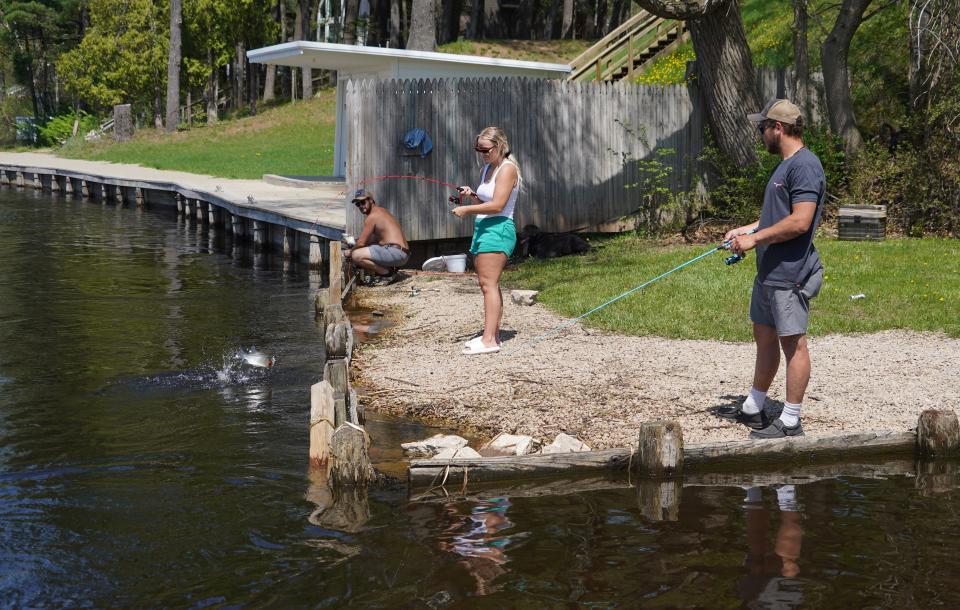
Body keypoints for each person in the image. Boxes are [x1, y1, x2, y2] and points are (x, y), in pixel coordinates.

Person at [721, 99, 826, 439]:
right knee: (764, 338)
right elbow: (777, 217)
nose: (760, 134)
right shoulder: (785, 166)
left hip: (791, 273)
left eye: (762, 128)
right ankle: (754, 405)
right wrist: (747, 231)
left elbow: (800, 221)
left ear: (777, 128)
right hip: (770, 272)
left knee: (793, 344)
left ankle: (791, 420)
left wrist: (755, 240)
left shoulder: (805, 166)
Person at [453, 126, 521, 356]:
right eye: (478, 149)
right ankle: (492, 334)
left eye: (485, 149)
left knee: (488, 284)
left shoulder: (507, 169)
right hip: (484, 228)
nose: (481, 152)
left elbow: (498, 205)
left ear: (499, 146)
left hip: (499, 228)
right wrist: (472, 193)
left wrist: (466, 209)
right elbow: (487, 197)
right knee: (488, 284)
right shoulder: (488, 168)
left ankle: (489, 340)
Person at [344, 189, 409, 285]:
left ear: (371, 200)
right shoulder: (382, 211)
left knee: (356, 255)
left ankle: (388, 274)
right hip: (403, 253)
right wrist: (354, 241)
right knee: (364, 247)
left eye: (362, 202)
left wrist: (350, 251)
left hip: (396, 253)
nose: (361, 206)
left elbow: (362, 243)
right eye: (358, 204)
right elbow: (372, 239)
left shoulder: (372, 217)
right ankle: (389, 269)